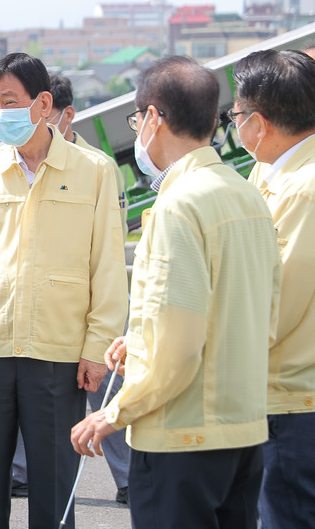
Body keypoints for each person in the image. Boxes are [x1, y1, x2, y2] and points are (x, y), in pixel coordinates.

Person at [71, 56, 281, 529]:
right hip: (244, 427)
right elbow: (259, 315)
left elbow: (177, 347)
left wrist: (111, 414)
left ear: (152, 118)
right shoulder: (246, 191)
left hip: (182, 436)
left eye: (136, 118)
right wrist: (141, 340)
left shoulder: (178, 205)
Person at [0, 52, 128, 529]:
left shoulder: (95, 171)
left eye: (10, 101)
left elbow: (107, 265)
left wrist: (97, 346)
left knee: (53, 483)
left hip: (59, 350)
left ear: (43, 103)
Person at [11, 73, 131, 505]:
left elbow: (109, 250)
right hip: (39, 302)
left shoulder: (96, 168)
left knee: (104, 386)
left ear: (63, 114)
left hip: (86, 300)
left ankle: (129, 476)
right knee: (29, 390)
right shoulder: (17, 161)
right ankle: (20, 471)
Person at [232, 49, 315, 528]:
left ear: (259, 123)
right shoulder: (271, 170)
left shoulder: (302, 189)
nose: (234, 125)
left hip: (292, 397)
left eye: (237, 115)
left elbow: (274, 306)